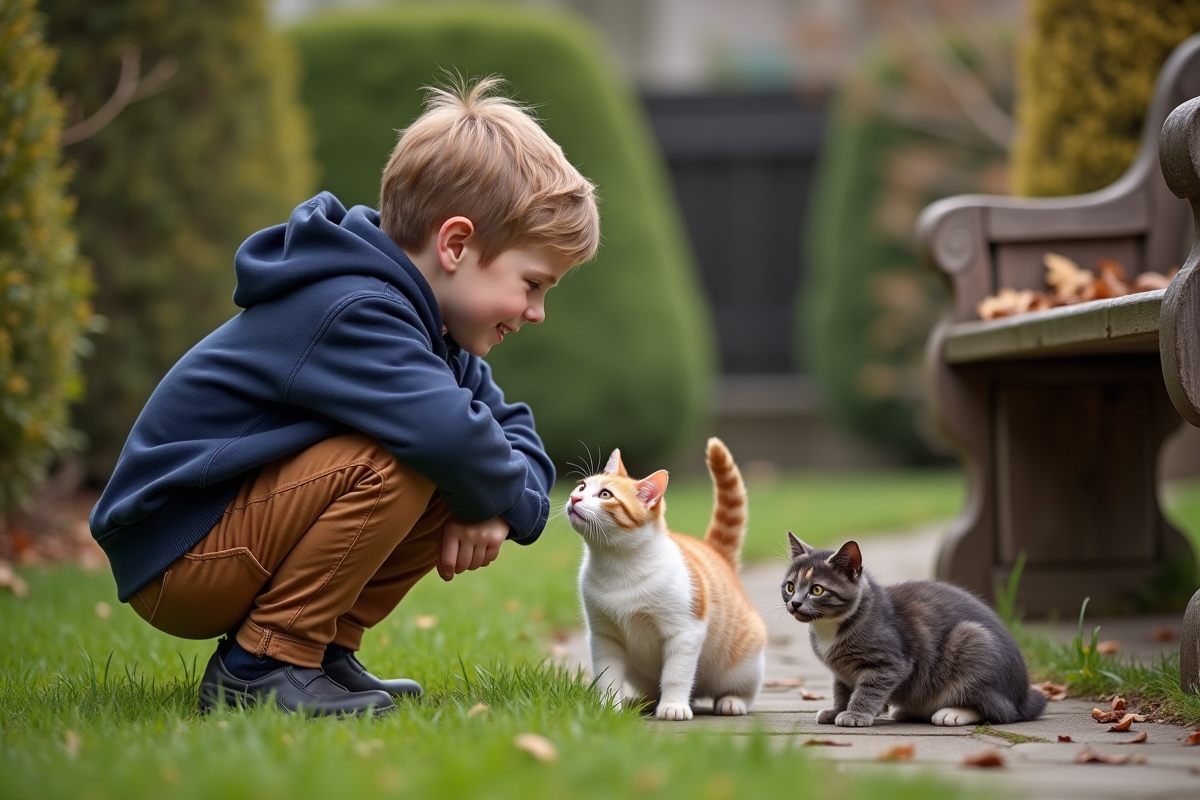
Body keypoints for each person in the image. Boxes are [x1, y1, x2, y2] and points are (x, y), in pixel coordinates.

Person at [89, 75, 600, 717]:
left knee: (453, 462)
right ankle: (264, 665)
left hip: (227, 535)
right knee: (414, 455)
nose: (536, 312)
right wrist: (499, 497)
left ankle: (321, 651)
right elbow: (454, 438)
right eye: (532, 284)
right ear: (456, 244)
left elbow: (511, 433)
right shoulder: (355, 309)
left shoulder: (434, 329)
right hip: (180, 549)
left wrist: (494, 502)